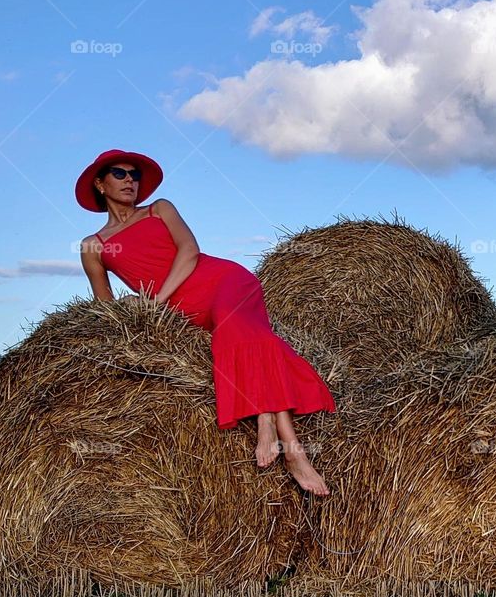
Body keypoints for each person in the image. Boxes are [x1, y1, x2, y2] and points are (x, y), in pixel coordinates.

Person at [76, 149, 335, 496]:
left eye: (134, 175)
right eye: (119, 174)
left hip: (223, 280)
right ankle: (269, 419)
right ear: (99, 183)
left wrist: (156, 301)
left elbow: (189, 252)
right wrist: (132, 305)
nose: (129, 181)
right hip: (185, 309)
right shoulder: (94, 246)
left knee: (234, 324)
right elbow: (106, 309)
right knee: (252, 336)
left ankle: (288, 444)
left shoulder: (159, 209)